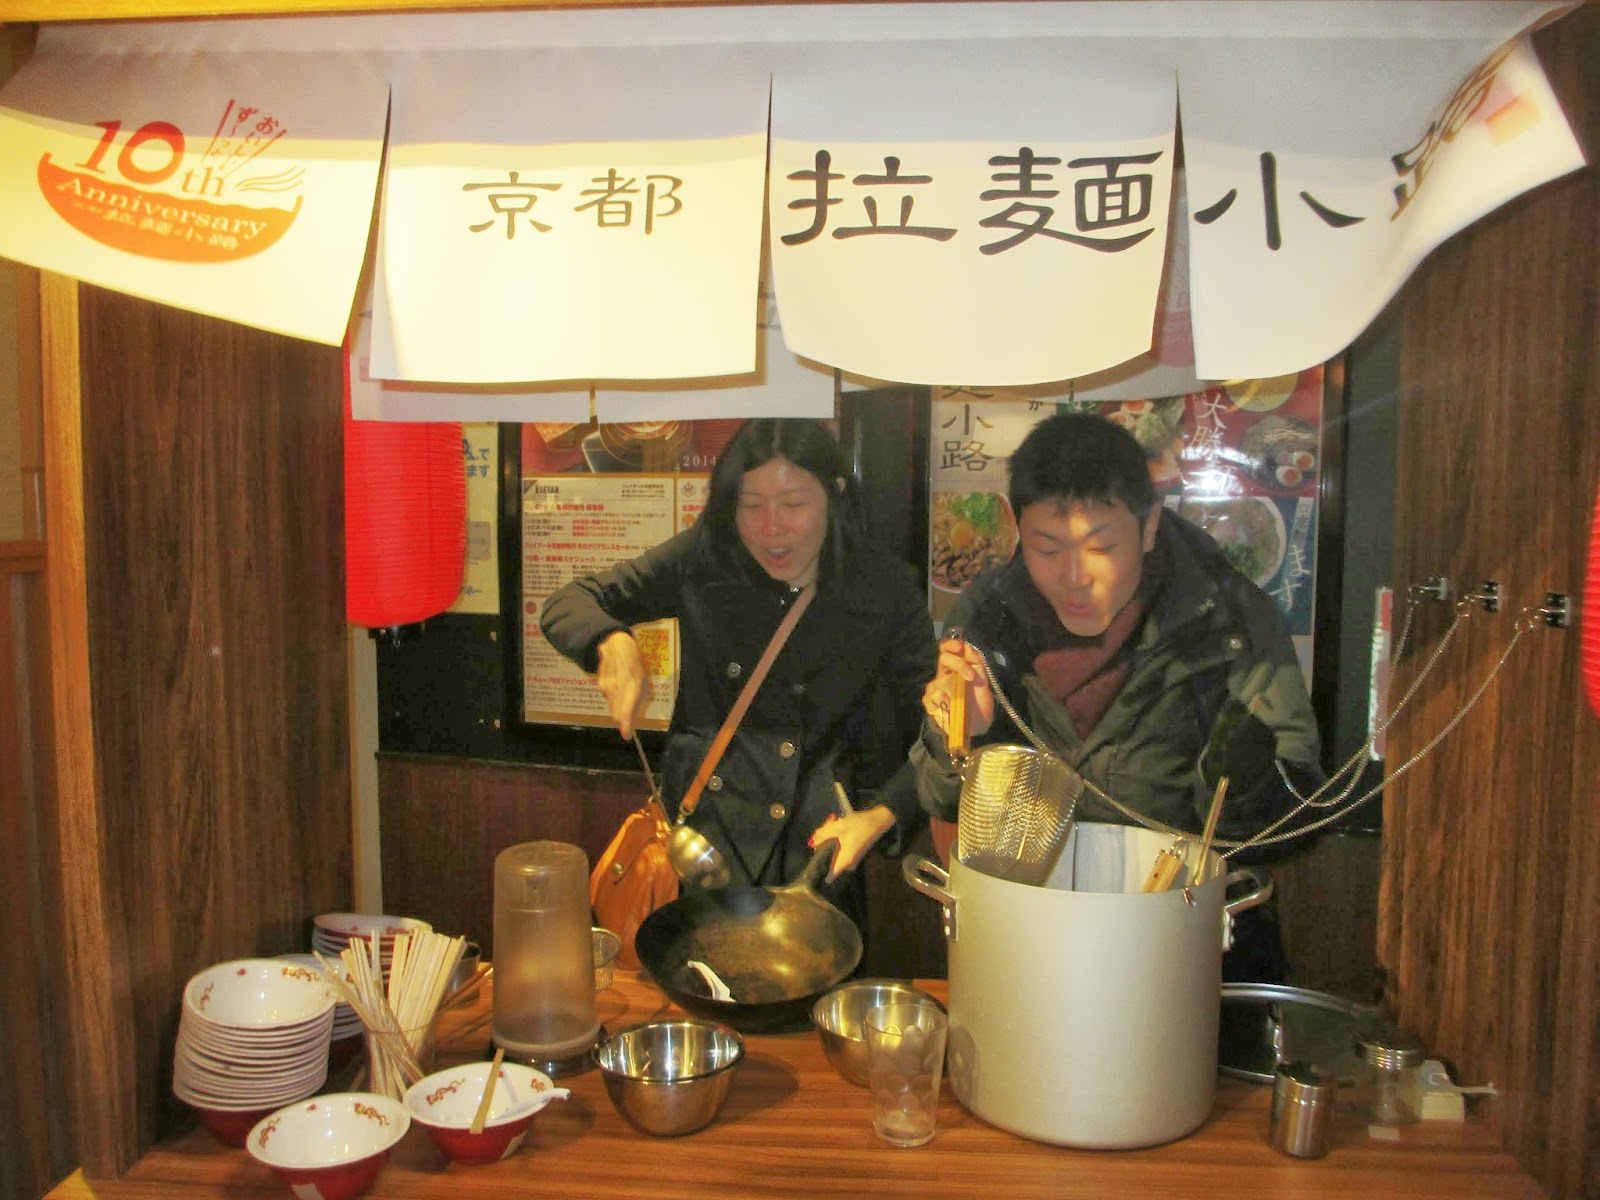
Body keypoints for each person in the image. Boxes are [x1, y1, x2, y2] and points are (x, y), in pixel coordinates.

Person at [912, 411, 1323, 981]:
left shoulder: (1227, 622)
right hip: (1032, 949)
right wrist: (960, 740)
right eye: (1046, 549)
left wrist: (1240, 781)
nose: (1074, 577)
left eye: (1101, 546)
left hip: (1183, 955)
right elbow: (942, 804)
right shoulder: (990, 616)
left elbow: (1295, 815)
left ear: (1149, 527)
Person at [540, 417, 937, 922]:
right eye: (750, 505)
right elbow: (570, 601)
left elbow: (938, 728)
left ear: (835, 493)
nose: (771, 527)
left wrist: (883, 813)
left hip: (817, 852)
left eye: (793, 504)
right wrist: (611, 642)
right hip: (705, 849)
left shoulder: (881, 587)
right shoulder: (706, 558)